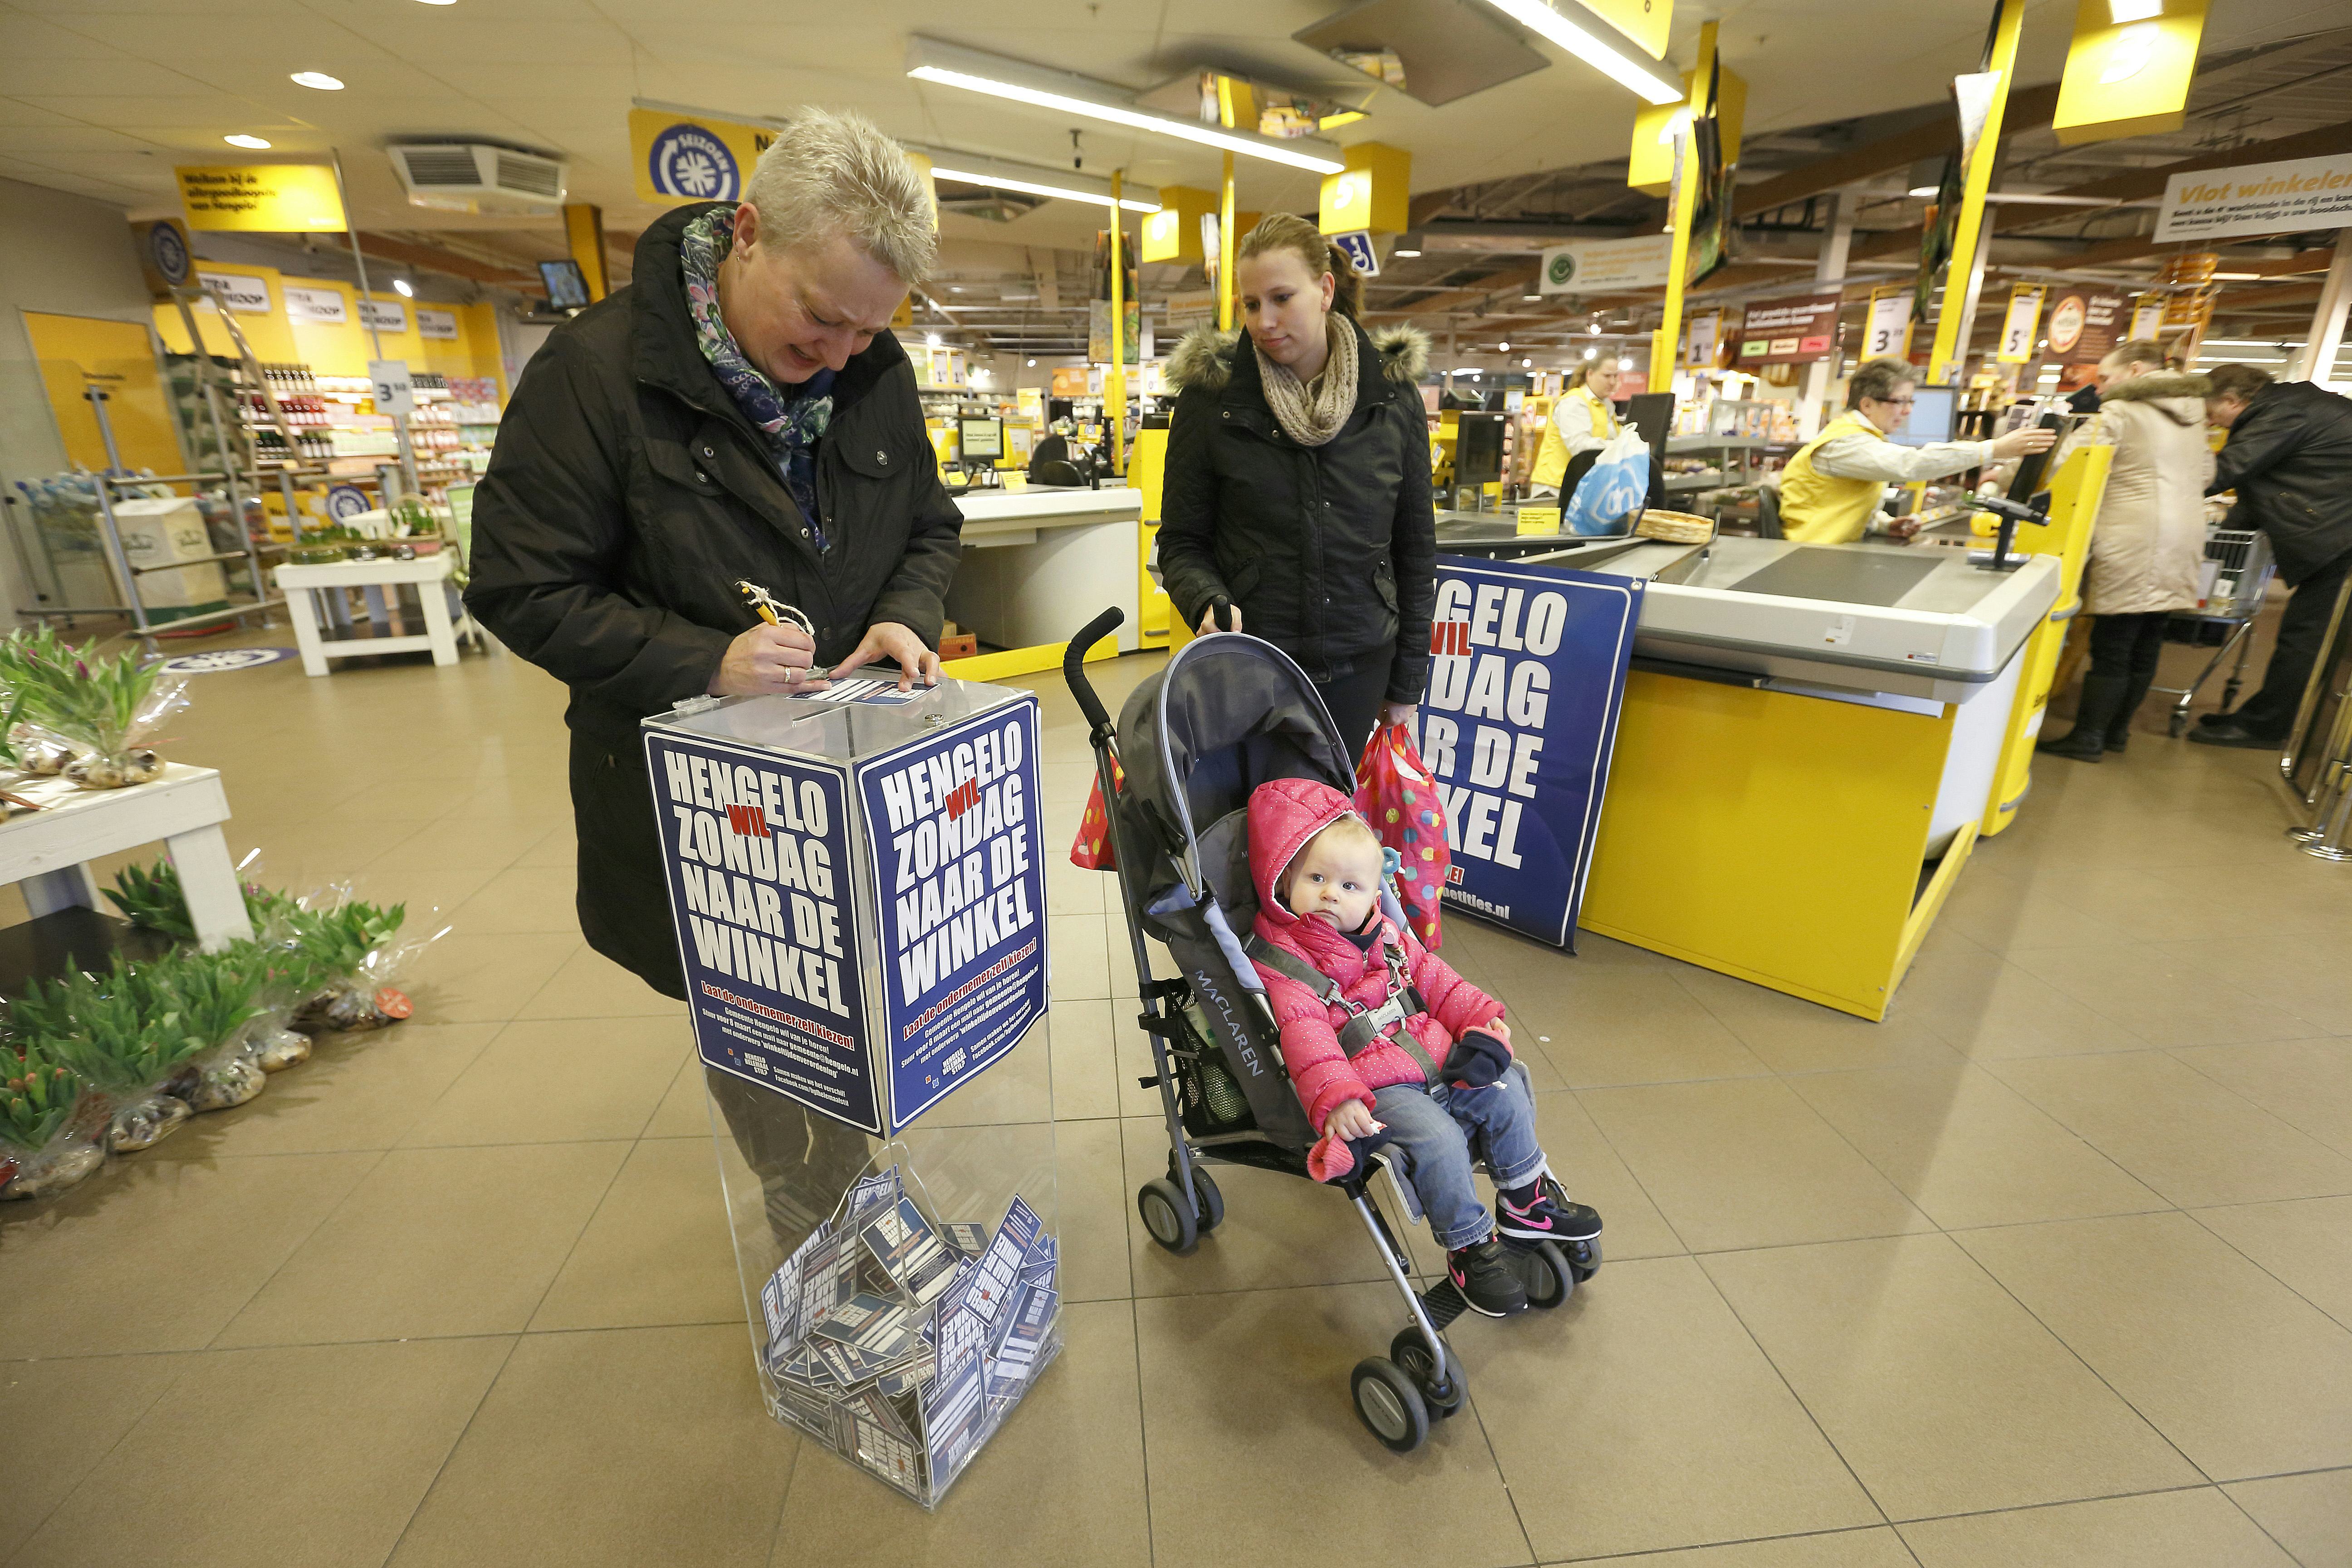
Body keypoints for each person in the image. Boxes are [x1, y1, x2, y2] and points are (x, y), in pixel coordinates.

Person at [464, 109, 957, 1244]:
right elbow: (520, 588)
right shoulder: (592, 378)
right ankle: (839, 1257)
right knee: (769, 1043)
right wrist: (704, 661)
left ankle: (869, 1206)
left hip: (851, 783)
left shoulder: (873, 368)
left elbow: (929, 523)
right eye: (821, 317)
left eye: (867, 329)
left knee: (862, 1015)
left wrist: (900, 609)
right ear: (745, 234)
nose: (841, 353)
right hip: (706, 817)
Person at [1243, 777, 1601, 1319]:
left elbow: (1437, 980)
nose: (1329, 895)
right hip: (1378, 1086)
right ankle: (1468, 1246)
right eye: (1315, 879)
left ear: (1373, 892)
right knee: (1439, 1139)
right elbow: (1306, 1039)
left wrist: (1481, 1019)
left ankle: (1526, 1202)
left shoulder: (1387, 933)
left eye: (1349, 886)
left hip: (1435, 1056)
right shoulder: (1287, 962)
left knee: (1506, 1087)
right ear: (1284, 877)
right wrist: (1339, 1097)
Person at [1158, 214, 1436, 759]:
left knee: (1333, 834)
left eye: (1282, 298)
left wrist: (1406, 683)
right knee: (1255, 831)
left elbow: (1415, 549)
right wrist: (1204, 599)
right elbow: (1181, 541)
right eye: (1252, 303)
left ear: (1326, 289)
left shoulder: (1393, 400)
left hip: (1360, 666)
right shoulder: (1211, 402)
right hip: (1253, 667)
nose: (1265, 320)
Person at [2035, 342, 2212, 761]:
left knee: (2114, 642)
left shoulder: (2121, 411)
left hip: (2133, 536)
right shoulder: (2194, 414)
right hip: (2184, 536)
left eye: (2109, 378)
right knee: (2147, 641)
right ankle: (2117, 733)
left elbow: (2066, 459)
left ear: (2134, 370)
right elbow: (2208, 472)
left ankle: (2089, 737)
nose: (2103, 387)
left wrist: (2012, 473)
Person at [2188, 363, 2352, 748]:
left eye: (2212, 415)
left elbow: (2226, 470)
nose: (2214, 426)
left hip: (2340, 538)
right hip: (2338, 530)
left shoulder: (2282, 414)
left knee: (2306, 638)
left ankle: (2266, 727)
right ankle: (2271, 720)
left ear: (2232, 400)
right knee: (2310, 637)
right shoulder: (2288, 406)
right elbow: (2257, 483)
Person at [1779, 356, 2056, 543]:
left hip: (1828, 554)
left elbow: (1837, 504)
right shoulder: (1844, 444)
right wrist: (1992, 449)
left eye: (1910, 401)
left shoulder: (1862, 437)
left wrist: (1885, 524)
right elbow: (1909, 465)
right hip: (1810, 557)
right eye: (1900, 401)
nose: (1908, 410)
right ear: (1867, 405)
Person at [1528, 358, 1623, 499]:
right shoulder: (1573, 402)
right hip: (1554, 489)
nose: (1613, 382)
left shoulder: (1606, 405)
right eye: (1607, 376)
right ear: (1590, 374)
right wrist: (1620, 447)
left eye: (1615, 376)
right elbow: (1580, 446)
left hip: (1579, 487)